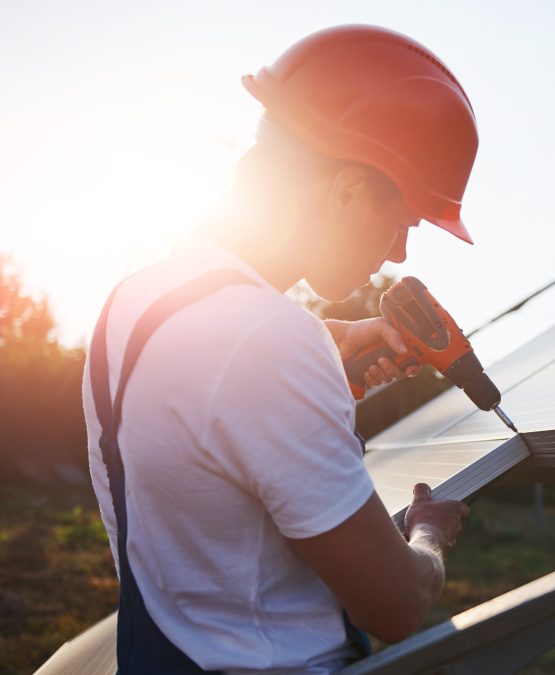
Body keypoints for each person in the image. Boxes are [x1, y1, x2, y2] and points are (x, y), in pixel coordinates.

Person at [83, 26, 478, 673]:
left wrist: (332, 338)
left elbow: (213, 372)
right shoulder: (267, 341)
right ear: (347, 191)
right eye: (404, 221)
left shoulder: (132, 300)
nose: (401, 251)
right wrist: (428, 532)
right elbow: (397, 605)